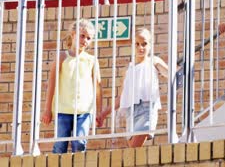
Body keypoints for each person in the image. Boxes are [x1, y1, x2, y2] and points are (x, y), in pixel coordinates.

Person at [99, 27, 168, 147]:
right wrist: (104, 113)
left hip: (147, 109)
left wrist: (176, 70)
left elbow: (170, 73)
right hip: (131, 112)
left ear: (150, 45)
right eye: (137, 44)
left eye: (144, 44)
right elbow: (121, 97)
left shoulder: (153, 61)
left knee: (135, 147)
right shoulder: (129, 70)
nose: (140, 48)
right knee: (133, 151)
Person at [41, 19, 103, 153]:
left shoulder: (92, 60)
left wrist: (99, 111)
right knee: (60, 146)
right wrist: (47, 109)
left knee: (79, 143)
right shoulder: (62, 57)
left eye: (88, 38)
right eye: (82, 35)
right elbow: (52, 83)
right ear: (73, 34)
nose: (85, 40)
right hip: (63, 110)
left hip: (84, 112)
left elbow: (97, 87)